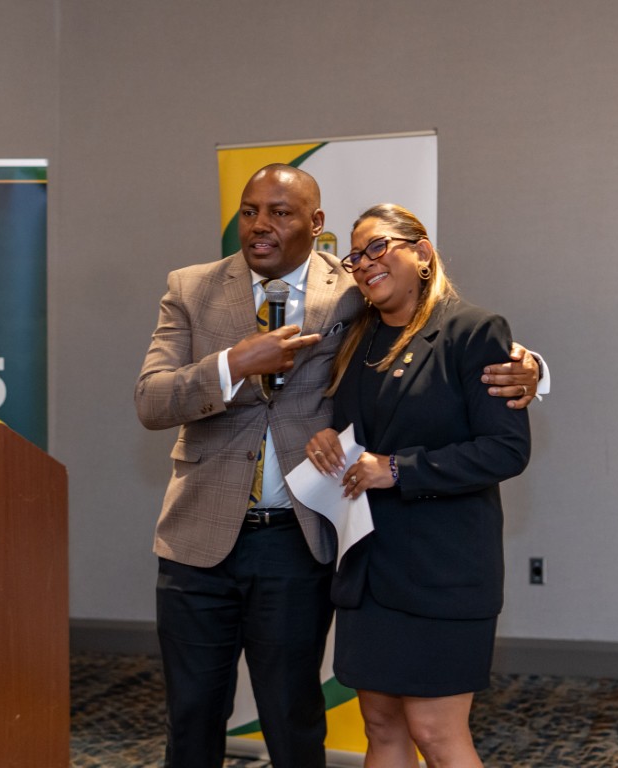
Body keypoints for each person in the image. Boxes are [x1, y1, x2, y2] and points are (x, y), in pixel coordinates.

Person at [135, 166, 541, 768]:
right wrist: (233, 364)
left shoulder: (352, 290)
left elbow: (439, 331)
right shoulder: (191, 288)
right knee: (192, 716)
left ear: (315, 223)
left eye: (281, 212)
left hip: (299, 542)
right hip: (198, 539)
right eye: (250, 211)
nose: (261, 225)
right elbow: (151, 400)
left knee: (294, 716)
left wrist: (531, 368)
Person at [305, 203, 532, 768]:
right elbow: (356, 427)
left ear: (423, 253)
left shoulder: (473, 331)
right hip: (369, 569)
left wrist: (399, 469)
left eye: (378, 247)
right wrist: (328, 437)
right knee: (380, 725)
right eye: (356, 256)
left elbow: (506, 449)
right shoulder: (356, 339)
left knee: (435, 732)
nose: (364, 263)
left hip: (443, 571)